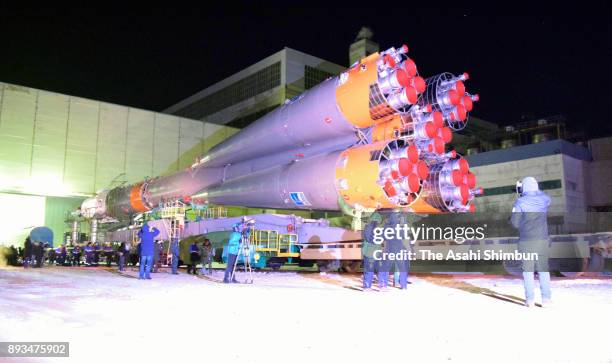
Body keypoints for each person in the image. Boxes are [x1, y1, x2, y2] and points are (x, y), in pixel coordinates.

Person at [510, 176, 552, 308]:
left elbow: (515, 223)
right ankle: (546, 299)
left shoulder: (520, 203)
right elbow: (544, 196)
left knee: (528, 271)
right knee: (543, 270)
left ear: (524, 188)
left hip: (527, 242)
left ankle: (530, 300)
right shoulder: (544, 200)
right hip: (542, 240)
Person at [362, 216, 382, 290]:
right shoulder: (377, 229)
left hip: (368, 252)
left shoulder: (367, 227)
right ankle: (369, 286)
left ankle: (367, 286)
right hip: (373, 252)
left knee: (368, 270)